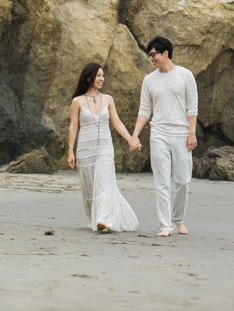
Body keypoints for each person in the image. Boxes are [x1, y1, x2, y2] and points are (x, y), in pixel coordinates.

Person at [128, 36, 198, 237]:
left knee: (183, 180)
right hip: (158, 133)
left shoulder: (185, 75)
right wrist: (135, 135)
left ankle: (178, 219)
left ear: (165, 53)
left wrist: (191, 132)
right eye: (149, 55)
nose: (151, 58)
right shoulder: (149, 80)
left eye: (153, 54)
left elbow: (192, 106)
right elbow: (144, 110)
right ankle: (165, 225)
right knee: (161, 181)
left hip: (182, 133)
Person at [67, 62, 138, 232]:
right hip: (85, 149)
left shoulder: (108, 99)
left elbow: (117, 123)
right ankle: (95, 219)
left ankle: (103, 219)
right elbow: (73, 127)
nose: (101, 79)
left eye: (103, 76)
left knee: (105, 184)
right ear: (89, 77)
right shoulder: (77, 101)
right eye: (98, 75)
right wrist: (70, 150)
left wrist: (131, 139)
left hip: (105, 148)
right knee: (90, 187)